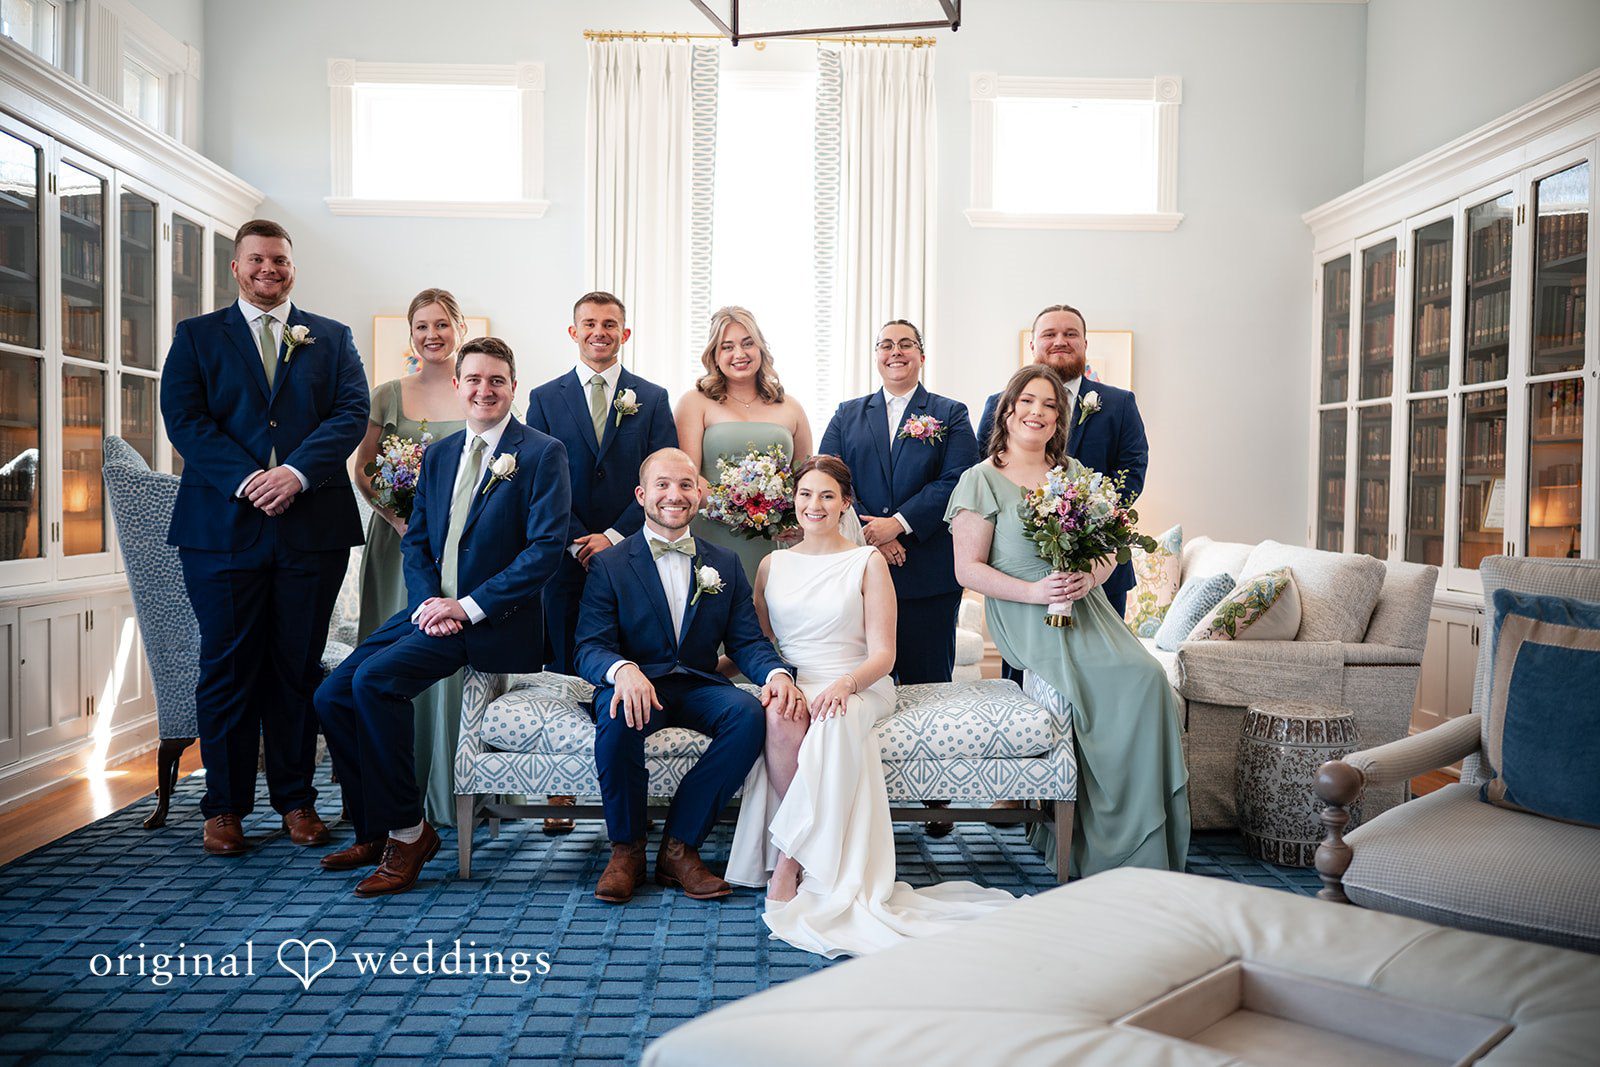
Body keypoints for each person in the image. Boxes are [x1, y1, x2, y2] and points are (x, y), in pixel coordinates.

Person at [726, 456, 1016, 958]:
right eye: (805, 495)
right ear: (792, 502)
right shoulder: (773, 564)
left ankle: (790, 860)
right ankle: (805, 848)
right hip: (799, 679)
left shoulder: (867, 561)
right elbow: (761, 643)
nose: (814, 505)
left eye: (826, 496)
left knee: (834, 722)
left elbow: (885, 654)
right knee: (775, 714)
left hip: (860, 680)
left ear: (845, 504)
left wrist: (845, 683)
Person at [314, 338, 570, 897]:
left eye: (497, 380)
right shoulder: (439, 453)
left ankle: (409, 836)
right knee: (332, 693)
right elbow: (418, 540)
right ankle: (374, 829)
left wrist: (466, 607)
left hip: (493, 619)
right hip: (433, 610)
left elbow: (545, 551)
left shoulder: (543, 453)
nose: (485, 390)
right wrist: (432, 602)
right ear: (458, 386)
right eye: (474, 379)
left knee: (376, 682)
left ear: (512, 388)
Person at [160, 219, 369, 858]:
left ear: (292, 266)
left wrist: (296, 474)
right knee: (226, 666)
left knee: (296, 666)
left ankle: (296, 803)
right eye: (256, 260)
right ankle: (223, 807)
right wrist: (252, 478)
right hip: (221, 530)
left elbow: (351, 413)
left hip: (311, 528)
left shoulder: (332, 338)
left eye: (279, 260)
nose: (268, 269)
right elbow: (183, 418)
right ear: (236, 266)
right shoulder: (196, 337)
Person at [948, 365, 1188, 878]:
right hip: (1024, 611)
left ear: (1060, 420)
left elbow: (1105, 550)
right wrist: (1036, 591)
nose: (1037, 412)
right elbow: (967, 569)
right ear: (1007, 411)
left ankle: (1133, 835)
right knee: (1117, 684)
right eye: (1027, 402)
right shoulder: (980, 479)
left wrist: (1091, 577)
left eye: (1050, 405)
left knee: (1148, 680)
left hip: (1086, 607)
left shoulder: (1075, 475)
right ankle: (1098, 842)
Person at [573, 448, 805, 906]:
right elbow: (588, 646)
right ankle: (627, 850)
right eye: (662, 485)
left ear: (699, 493)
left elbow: (746, 642)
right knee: (618, 720)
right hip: (634, 684)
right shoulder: (609, 564)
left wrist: (776, 673)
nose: (674, 495)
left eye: (684, 485)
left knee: (747, 715)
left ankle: (680, 848)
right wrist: (622, 670)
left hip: (699, 683)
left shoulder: (726, 561)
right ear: (642, 495)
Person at [818, 319, 978, 837]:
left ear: (921, 355)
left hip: (927, 566)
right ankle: (870, 792)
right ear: (875, 354)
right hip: (861, 566)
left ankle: (934, 802)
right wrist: (874, 534)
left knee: (929, 680)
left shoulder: (950, 413)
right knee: (868, 678)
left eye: (905, 344)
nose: (895, 351)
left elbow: (958, 480)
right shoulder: (847, 414)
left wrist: (900, 525)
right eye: (885, 344)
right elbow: (827, 476)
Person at [525, 291, 677, 834]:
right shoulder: (544, 398)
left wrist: (614, 534)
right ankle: (562, 791)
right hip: (562, 558)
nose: (599, 332)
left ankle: (640, 783)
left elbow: (664, 477)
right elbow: (537, 478)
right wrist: (575, 540)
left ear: (625, 334)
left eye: (610, 324)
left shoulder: (653, 399)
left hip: (632, 551)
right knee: (566, 664)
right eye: (589, 324)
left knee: (629, 660)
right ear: (573, 332)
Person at [351, 288, 469, 826]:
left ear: (458, 329)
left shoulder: (475, 392)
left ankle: (452, 788)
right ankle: (393, 795)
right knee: (394, 656)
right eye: (421, 326)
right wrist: (401, 521)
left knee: (449, 655)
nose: (432, 335)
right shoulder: (387, 394)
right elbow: (366, 471)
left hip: (460, 549)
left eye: (442, 324)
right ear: (411, 334)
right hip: (399, 547)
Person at [975, 304, 1148, 619]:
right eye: (1049, 334)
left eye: (1071, 334)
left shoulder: (1120, 404)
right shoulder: (998, 404)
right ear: (1033, 345)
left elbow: (1132, 474)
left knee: (1100, 664)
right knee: (1022, 667)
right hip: (1019, 570)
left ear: (1084, 343)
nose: (1060, 341)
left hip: (1099, 566)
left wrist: (1084, 530)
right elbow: (986, 474)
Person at [675, 307, 813, 583]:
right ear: (715, 355)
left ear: (761, 348)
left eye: (748, 343)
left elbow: (806, 477)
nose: (739, 354)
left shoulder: (791, 406)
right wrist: (742, 510)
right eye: (727, 346)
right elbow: (687, 475)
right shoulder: (694, 402)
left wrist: (791, 521)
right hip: (713, 532)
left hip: (774, 539)